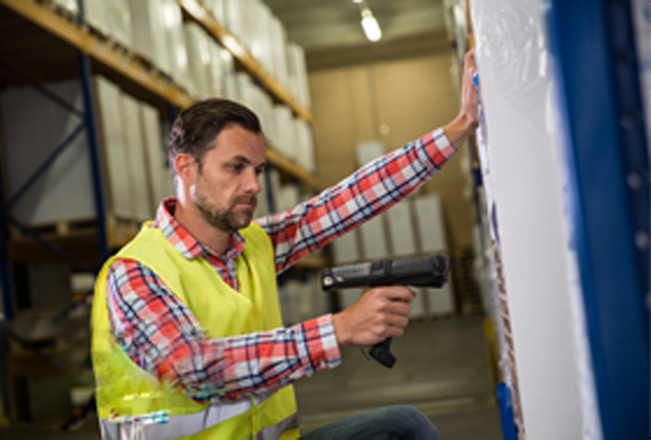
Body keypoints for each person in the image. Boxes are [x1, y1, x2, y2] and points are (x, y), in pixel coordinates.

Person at [91, 50, 479, 439]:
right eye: (236, 167)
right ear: (186, 167)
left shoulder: (252, 246)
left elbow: (346, 202)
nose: (253, 185)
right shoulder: (135, 272)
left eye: (258, 170)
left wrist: (460, 127)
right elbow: (198, 370)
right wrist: (340, 328)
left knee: (404, 427)